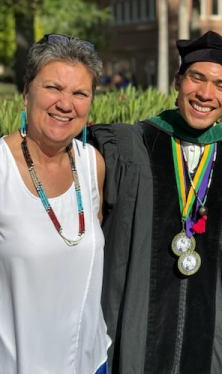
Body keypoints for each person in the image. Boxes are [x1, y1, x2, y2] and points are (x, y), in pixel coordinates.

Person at [90, 30, 222, 373]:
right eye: (196, 78)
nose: (205, 94)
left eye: (221, 85)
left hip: (212, 335)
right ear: (178, 80)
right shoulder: (128, 145)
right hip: (138, 326)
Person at [0, 34, 111, 373]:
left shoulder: (92, 164)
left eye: (80, 93)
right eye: (53, 88)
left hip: (91, 362)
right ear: (26, 92)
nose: (66, 104)